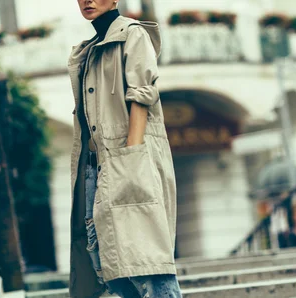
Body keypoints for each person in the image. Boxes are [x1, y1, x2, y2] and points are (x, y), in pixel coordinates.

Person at [68, 1, 181, 297]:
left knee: (148, 262)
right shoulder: (89, 49)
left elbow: (142, 96)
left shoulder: (132, 34)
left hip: (128, 160)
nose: (87, 0)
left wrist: (130, 156)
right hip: (96, 166)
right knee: (110, 267)